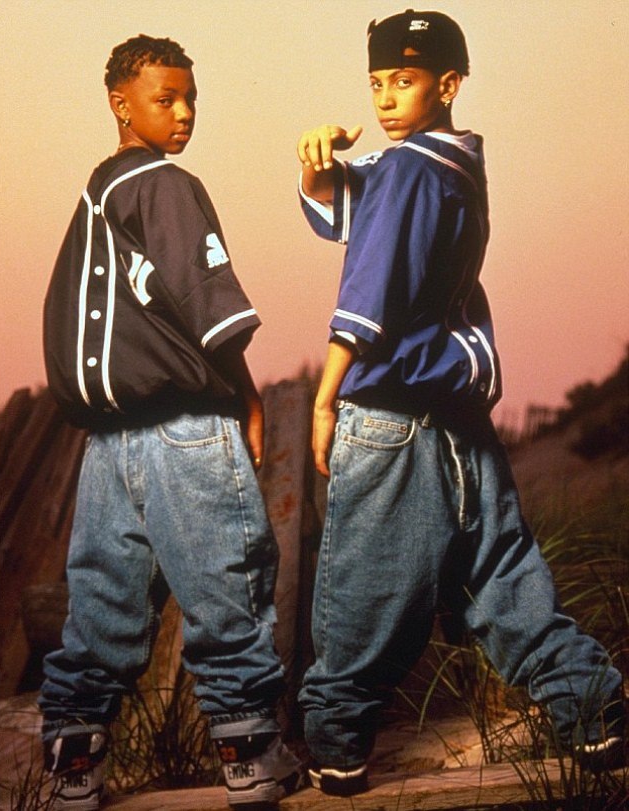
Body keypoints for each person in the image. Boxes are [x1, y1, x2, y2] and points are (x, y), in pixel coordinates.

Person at [295, 9, 625, 797]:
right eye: (376, 81)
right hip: (458, 418)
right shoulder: (453, 161)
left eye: (404, 80)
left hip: (389, 414)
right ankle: (595, 711)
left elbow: (369, 288)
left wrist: (324, 397)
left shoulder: (407, 168)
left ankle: (336, 747)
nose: (385, 97)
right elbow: (363, 208)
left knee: (364, 591)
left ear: (447, 84)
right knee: (500, 573)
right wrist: (316, 175)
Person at [39, 35, 303, 811]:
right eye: (166, 99)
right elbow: (210, 309)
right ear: (121, 104)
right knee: (227, 588)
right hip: (186, 426)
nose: (184, 113)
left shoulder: (97, 197)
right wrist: (247, 398)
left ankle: (74, 767)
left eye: (191, 98)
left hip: (108, 443)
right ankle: (251, 756)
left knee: (101, 607)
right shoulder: (166, 184)